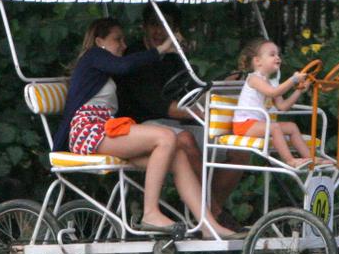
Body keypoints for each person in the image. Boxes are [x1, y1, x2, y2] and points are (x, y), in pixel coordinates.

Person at [53, 17, 238, 239]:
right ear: (99, 41)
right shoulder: (94, 56)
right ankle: (150, 213)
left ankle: (209, 225)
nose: (123, 45)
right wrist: (161, 49)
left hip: (104, 129)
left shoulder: (101, 66)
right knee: (166, 137)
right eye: (117, 40)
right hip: (88, 131)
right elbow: (126, 65)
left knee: (178, 153)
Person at [116, 4, 248, 231]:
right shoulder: (135, 57)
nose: (159, 31)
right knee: (185, 138)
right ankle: (215, 216)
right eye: (155, 25)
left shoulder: (173, 56)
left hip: (176, 123)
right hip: (141, 126)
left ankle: (209, 210)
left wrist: (223, 87)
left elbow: (192, 90)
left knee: (240, 150)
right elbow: (160, 106)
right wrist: (200, 113)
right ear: (144, 27)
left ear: (174, 30)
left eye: (167, 26)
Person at [233, 38, 327, 169]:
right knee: (274, 127)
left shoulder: (271, 82)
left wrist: (299, 91)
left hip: (257, 124)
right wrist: (293, 80)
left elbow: (282, 106)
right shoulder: (254, 78)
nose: (277, 57)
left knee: (292, 127)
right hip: (244, 125)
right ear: (257, 61)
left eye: (278, 54)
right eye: (272, 54)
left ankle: (310, 158)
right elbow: (273, 93)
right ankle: (290, 161)